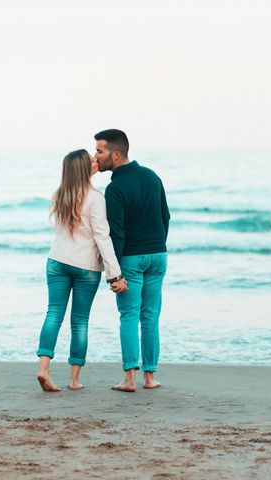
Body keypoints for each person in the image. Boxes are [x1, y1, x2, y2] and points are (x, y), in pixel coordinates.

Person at [37, 149, 128, 392]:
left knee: (53, 314)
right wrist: (115, 274)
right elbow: (102, 237)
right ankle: (74, 379)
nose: (95, 159)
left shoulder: (60, 195)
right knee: (79, 321)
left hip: (56, 261)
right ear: (82, 168)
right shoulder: (96, 198)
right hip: (85, 266)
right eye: (91, 160)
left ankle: (43, 369)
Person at [94, 129, 170, 392]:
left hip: (132, 259)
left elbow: (116, 234)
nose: (96, 156)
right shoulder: (151, 176)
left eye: (100, 151)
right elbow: (165, 216)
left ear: (115, 154)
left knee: (129, 315)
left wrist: (114, 273)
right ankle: (150, 377)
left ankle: (129, 379)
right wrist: (158, 246)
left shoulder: (115, 189)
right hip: (158, 256)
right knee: (150, 316)